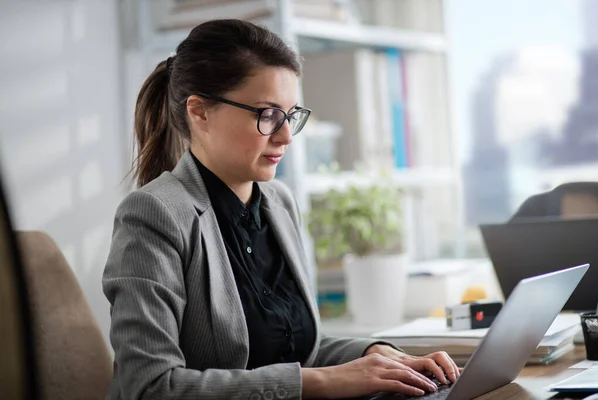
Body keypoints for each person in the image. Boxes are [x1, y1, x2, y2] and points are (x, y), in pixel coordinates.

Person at [102, 19, 459, 400]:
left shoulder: (279, 203)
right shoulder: (153, 215)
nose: (286, 135)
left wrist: (375, 354)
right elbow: (150, 387)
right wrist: (325, 381)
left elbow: (293, 353)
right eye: (267, 114)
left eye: (290, 115)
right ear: (200, 112)